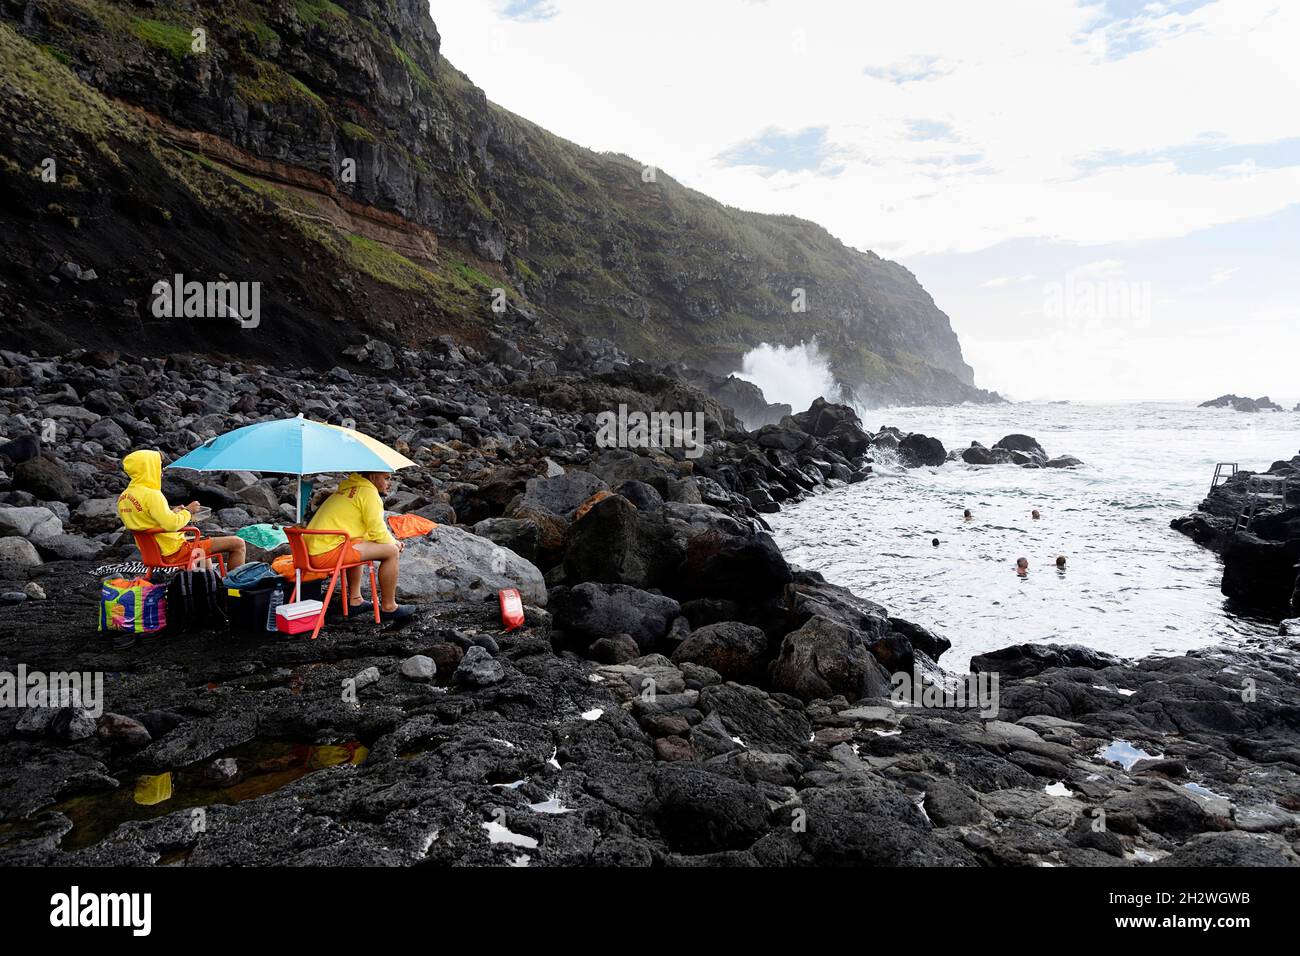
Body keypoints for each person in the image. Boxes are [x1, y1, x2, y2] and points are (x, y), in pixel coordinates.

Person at [306, 471, 414, 622]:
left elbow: (363, 531)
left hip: (313, 552)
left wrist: (387, 539)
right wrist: (394, 542)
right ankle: (389, 607)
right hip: (324, 555)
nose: (390, 483)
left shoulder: (347, 489)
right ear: (372, 477)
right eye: (386, 478)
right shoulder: (368, 492)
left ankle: (355, 600)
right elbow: (377, 531)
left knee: (358, 542)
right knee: (391, 552)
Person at [118, 449, 246, 569]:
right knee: (238, 543)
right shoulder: (152, 495)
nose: (161, 471)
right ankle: (235, 585)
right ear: (148, 468)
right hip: (174, 552)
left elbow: (146, 521)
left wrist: (172, 513)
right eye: (158, 466)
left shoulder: (125, 496)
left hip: (153, 553)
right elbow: (171, 525)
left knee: (202, 545)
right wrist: (188, 511)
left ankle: (207, 584)